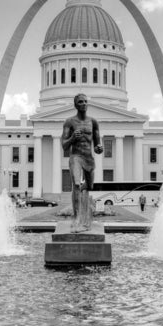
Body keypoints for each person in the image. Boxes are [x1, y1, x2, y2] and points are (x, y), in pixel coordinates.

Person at [60, 92, 103, 231]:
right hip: (76, 156)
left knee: (89, 186)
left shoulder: (93, 122)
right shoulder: (70, 122)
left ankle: (84, 211)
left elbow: (97, 144)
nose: (84, 104)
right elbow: (64, 145)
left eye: (85, 101)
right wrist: (72, 138)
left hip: (88, 157)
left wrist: (99, 148)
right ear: (75, 105)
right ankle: (77, 218)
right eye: (80, 102)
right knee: (77, 185)